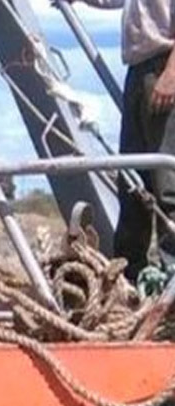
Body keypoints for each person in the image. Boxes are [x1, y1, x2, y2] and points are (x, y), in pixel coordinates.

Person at [66, 0, 175, 280]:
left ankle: (172, 280)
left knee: (168, 183)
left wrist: (171, 75)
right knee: (131, 182)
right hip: (139, 71)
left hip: (164, 66)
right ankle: (128, 278)